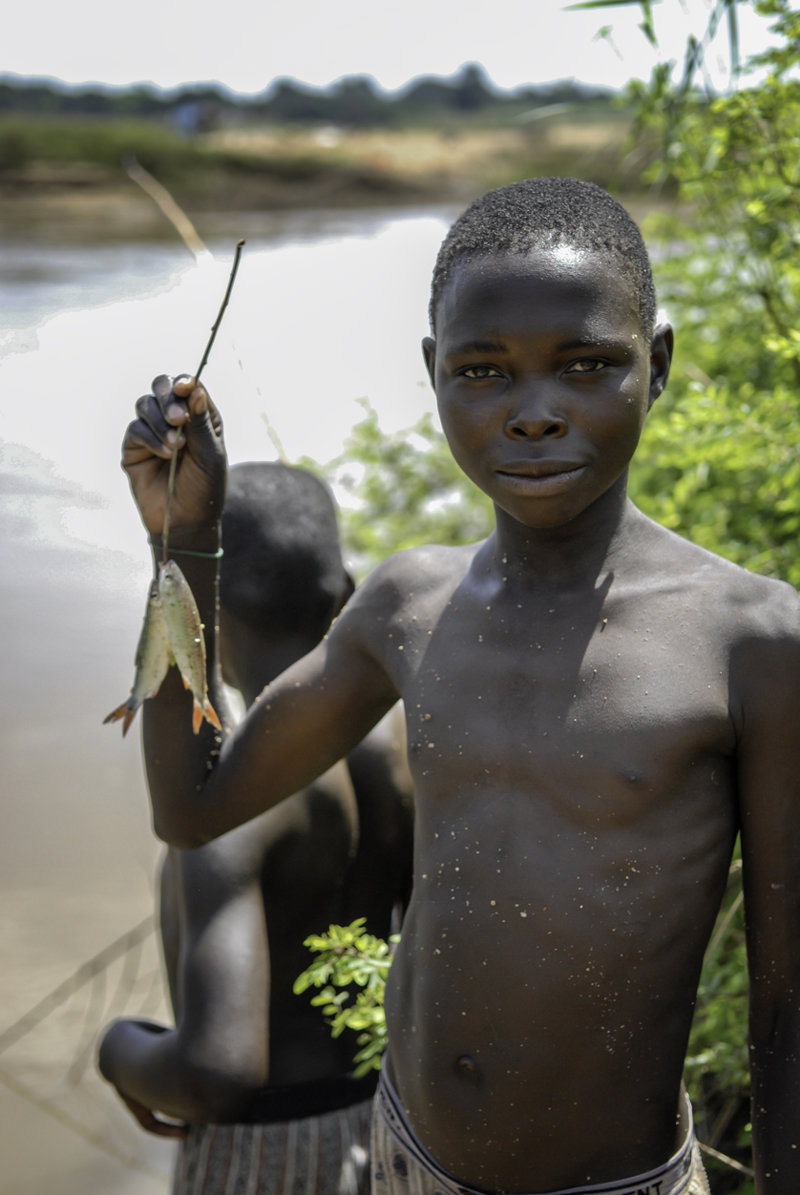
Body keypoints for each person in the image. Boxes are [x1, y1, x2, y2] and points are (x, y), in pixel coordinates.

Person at [114, 177, 800, 1195]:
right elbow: (193, 803)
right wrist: (185, 539)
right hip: (404, 1157)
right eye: (484, 371)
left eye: (584, 366)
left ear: (653, 363)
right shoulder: (408, 605)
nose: (532, 414)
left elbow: (786, 1007)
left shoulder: (748, 639)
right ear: (434, 373)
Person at [98, 462, 414, 1195]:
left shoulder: (227, 802)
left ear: (205, 622)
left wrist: (118, 1050)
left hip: (266, 1160)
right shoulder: (397, 747)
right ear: (344, 590)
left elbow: (217, 1073)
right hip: (388, 1126)